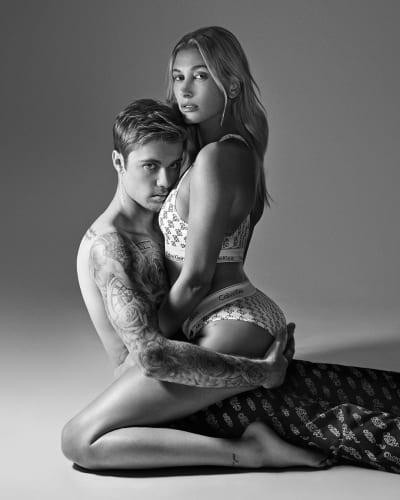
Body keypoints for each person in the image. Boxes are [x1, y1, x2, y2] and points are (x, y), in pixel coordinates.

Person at [62, 98, 326, 471]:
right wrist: (260, 373)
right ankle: (248, 453)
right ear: (119, 163)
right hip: (151, 369)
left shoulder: (163, 217)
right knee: (76, 441)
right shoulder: (110, 248)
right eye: (150, 166)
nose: (165, 181)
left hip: (201, 346)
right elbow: (150, 357)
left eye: (174, 165)